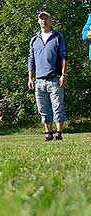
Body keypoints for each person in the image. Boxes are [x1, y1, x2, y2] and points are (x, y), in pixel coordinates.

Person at [28, 10, 68, 141]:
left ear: (50, 20)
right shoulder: (34, 39)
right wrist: (30, 78)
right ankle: (48, 133)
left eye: (46, 18)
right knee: (43, 108)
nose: (44, 21)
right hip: (39, 80)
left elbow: (64, 56)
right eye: (41, 18)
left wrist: (63, 74)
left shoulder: (57, 36)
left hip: (55, 78)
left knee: (58, 107)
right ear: (38, 21)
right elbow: (31, 59)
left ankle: (59, 133)